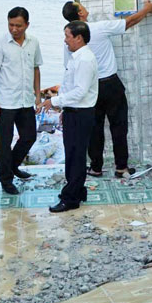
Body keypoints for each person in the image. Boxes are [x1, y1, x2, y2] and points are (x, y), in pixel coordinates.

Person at [61, 0, 152, 178]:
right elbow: (129, 22)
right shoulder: (98, 28)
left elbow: (69, 71)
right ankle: (121, 167)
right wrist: (147, 9)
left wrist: (65, 99)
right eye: (82, 6)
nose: (85, 7)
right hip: (111, 85)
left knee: (94, 129)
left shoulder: (70, 42)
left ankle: (96, 168)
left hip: (90, 89)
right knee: (119, 126)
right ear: (80, 13)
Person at [39, 21, 98, 212]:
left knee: (75, 156)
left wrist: (54, 102)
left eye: (67, 36)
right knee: (74, 154)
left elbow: (80, 92)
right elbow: (71, 87)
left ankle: (70, 198)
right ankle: (78, 191)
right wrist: (65, 110)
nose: (65, 41)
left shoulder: (85, 59)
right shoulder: (77, 57)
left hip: (81, 114)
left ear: (79, 38)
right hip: (74, 112)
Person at [0, 6, 42, 194]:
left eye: (18, 25)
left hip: (26, 100)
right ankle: (6, 180)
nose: (14, 29)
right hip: (6, 102)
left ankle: (12, 166)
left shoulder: (34, 42)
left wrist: (37, 96)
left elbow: (36, 69)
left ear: (27, 24)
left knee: (29, 137)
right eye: (11, 25)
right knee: (4, 142)